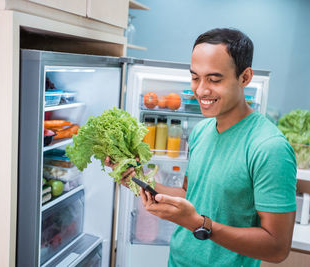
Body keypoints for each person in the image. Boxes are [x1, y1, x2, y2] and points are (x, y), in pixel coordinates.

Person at [106, 28, 296, 267]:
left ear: (245, 78)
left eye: (214, 79)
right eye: (195, 77)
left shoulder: (270, 148)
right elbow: (191, 196)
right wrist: (138, 179)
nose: (201, 90)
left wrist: (199, 224)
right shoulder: (201, 132)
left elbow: (277, 248)